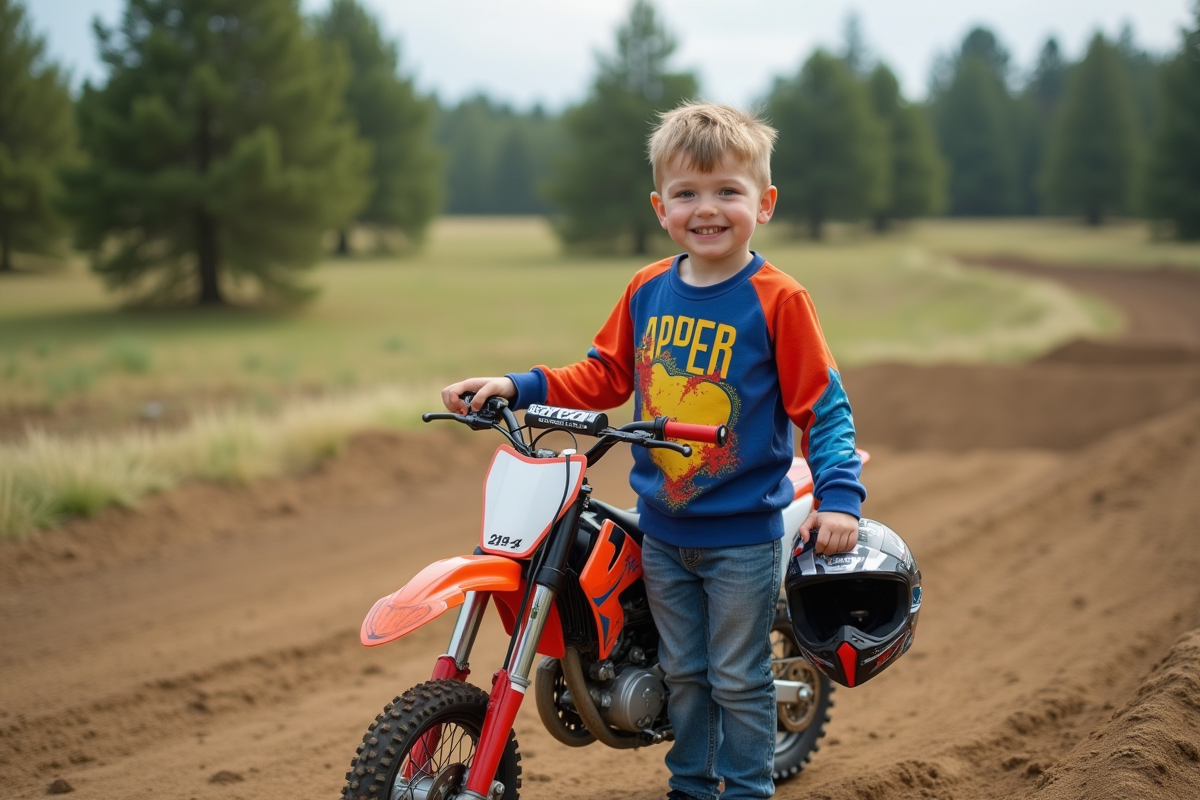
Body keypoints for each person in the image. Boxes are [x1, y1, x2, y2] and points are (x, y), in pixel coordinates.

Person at [441, 102, 865, 800]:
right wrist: (514, 386)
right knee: (686, 674)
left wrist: (841, 499)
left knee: (736, 676)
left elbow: (825, 407)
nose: (708, 209)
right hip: (663, 530)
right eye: (687, 193)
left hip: (740, 535)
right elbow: (602, 377)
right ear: (660, 206)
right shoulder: (647, 289)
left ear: (765, 203)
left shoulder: (779, 299)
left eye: (728, 191)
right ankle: (692, 788)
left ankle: (750, 790)